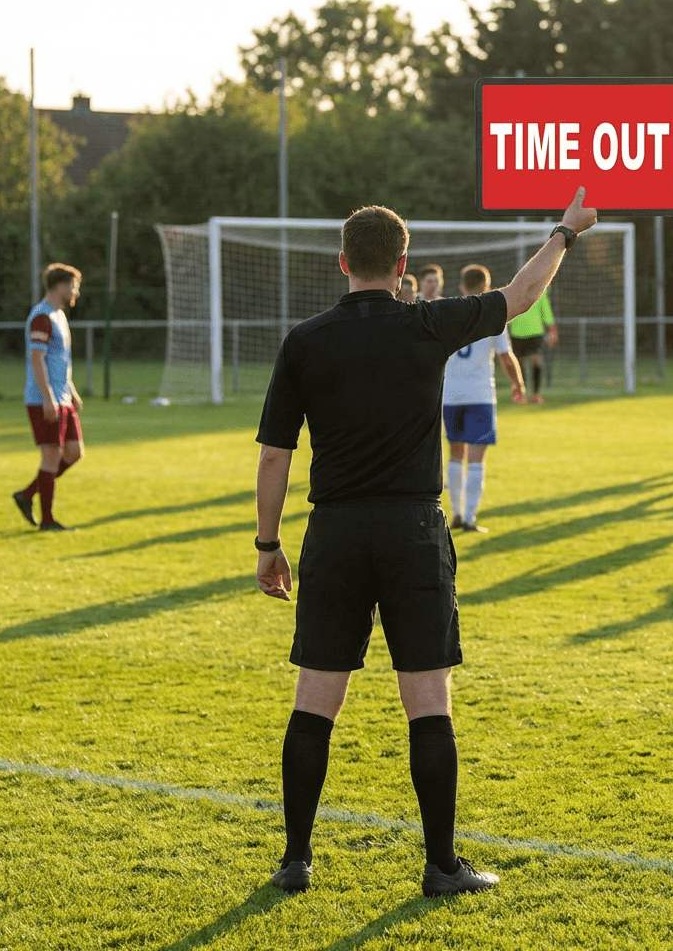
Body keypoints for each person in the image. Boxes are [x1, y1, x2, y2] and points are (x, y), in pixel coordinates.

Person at [254, 187, 597, 897]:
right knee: (428, 702)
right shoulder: (428, 324)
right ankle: (441, 866)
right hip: (412, 531)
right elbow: (521, 295)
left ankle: (295, 860)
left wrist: (267, 544)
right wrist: (564, 231)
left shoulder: (306, 340)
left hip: (337, 532)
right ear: (402, 263)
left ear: (343, 262)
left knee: (314, 699)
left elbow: (274, 456)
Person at [443, 265, 526, 533]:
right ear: (487, 286)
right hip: (479, 396)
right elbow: (506, 356)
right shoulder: (493, 316)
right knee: (476, 460)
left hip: (451, 395)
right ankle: (469, 518)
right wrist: (518, 384)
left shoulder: (448, 312)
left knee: (456, 456)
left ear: (462, 286)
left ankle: (455, 513)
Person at [12, 264, 85, 532]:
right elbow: (37, 359)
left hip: (63, 396)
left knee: (75, 452)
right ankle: (48, 520)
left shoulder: (60, 316)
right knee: (51, 457)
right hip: (45, 398)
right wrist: (48, 398)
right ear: (62, 286)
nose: (76, 291)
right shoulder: (42, 316)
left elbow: (59, 361)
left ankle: (27, 494)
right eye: (74, 285)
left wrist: (72, 391)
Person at [508, 287, 557, 403]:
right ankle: (520, 393)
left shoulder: (540, 290)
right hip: (517, 333)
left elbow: (546, 310)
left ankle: (535, 393)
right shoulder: (516, 288)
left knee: (536, 360)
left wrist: (552, 330)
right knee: (519, 364)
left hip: (536, 332)